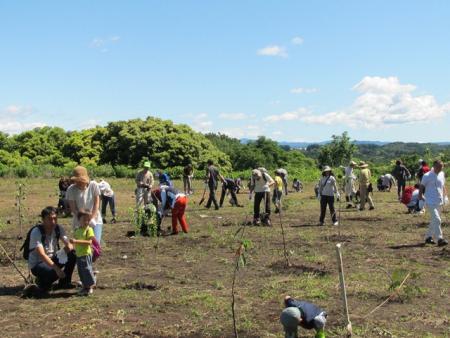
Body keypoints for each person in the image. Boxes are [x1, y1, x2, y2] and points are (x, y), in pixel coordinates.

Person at [27, 206, 76, 293]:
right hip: (38, 263)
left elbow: (67, 242)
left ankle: (64, 282)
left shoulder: (58, 228)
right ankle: (42, 283)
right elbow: (42, 255)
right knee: (52, 272)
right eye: (49, 219)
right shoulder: (36, 232)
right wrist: (57, 269)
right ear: (43, 219)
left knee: (72, 254)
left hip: (52, 258)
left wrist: (69, 246)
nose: (53, 222)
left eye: (55, 218)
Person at [66, 166, 103, 243]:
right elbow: (73, 209)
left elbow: (96, 203)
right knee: (81, 244)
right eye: (76, 181)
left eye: (80, 181)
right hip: (79, 220)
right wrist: (83, 220)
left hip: (94, 219)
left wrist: (91, 218)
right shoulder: (71, 189)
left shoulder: (93, 185)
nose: (78, 183)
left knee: (95, 243)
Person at [419, 160, 448, 246]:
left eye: (441, 166)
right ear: (434, 166)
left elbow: (443, 185)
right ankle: (440, 239)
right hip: (430, 201)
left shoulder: (442, 174)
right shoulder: (427, 176)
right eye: (438, 166)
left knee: (434, 220)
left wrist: (445, 196)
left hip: (439, 201)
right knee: (437, 219)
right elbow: (421, 186)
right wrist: (420, 196)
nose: (440, 168)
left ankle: (428, 237)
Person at [69, 210, 96, 296]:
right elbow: (74, 242)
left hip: (85, 254)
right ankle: (85, 286)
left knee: (86, 270)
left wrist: (76, 241)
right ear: (79, 220)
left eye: (88, 220)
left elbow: (89, 242)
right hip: (79, 254)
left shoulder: (89, 230)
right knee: (81, 271)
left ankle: (90, 286)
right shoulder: (77, 230)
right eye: (84, 219)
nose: (86, 222)